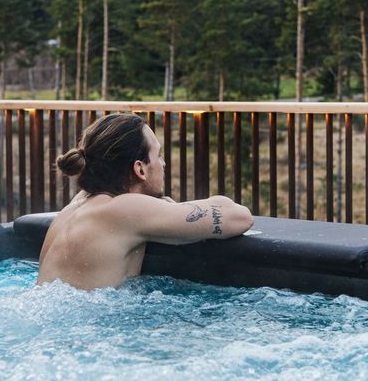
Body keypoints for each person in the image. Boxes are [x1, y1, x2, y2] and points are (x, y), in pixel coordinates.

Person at [38, 112, 253, 289]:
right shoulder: (124, 209)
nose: (164, 163)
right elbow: (239, 217)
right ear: (140, 168)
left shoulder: (76, 205)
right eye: (158, 155)